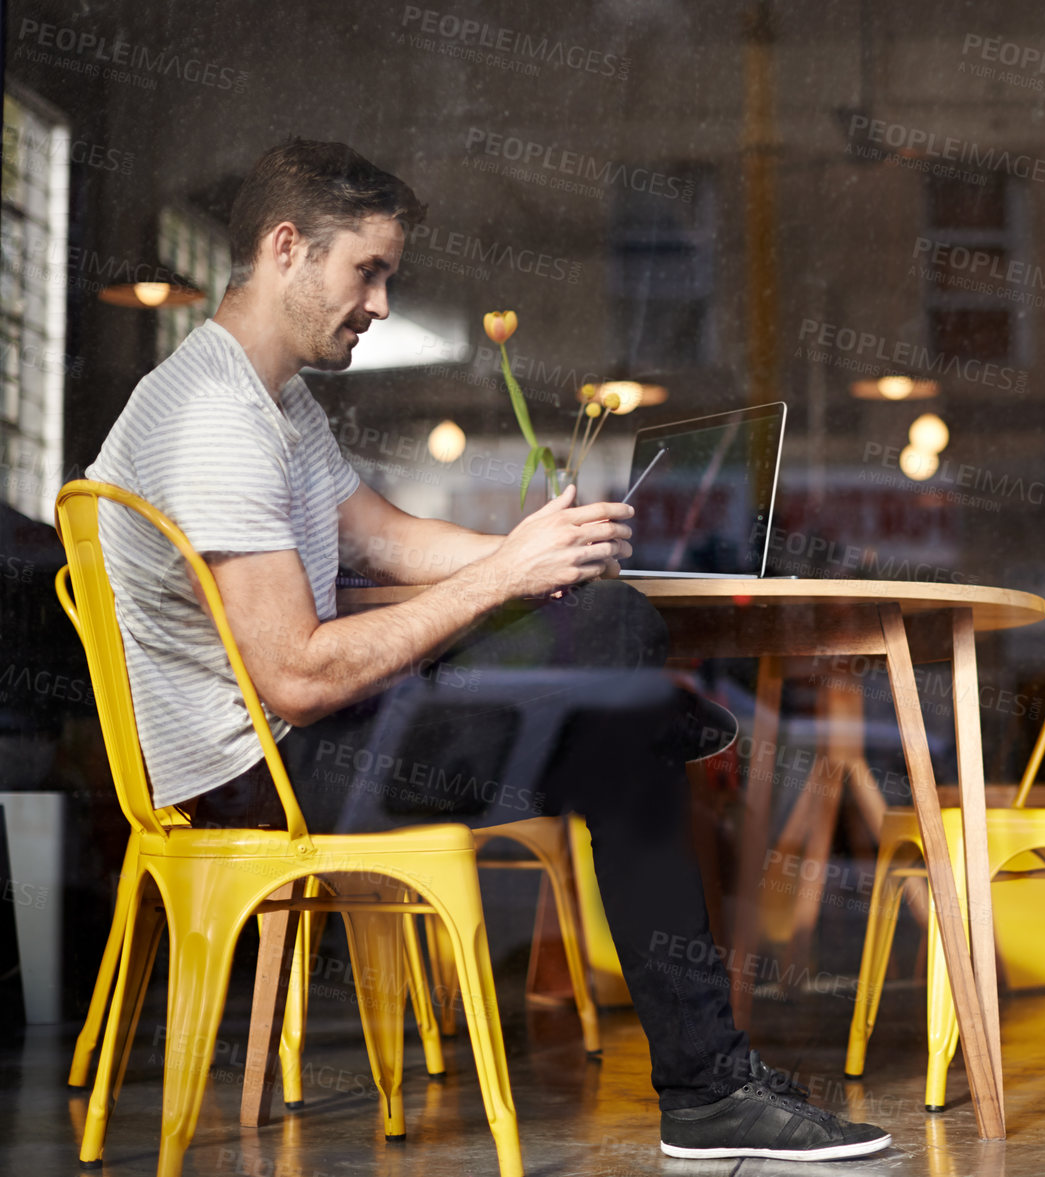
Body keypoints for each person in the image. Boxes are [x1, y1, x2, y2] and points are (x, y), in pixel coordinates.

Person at [84, 138, 889, 1162]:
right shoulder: (210, 419)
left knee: (613, 672)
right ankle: (708, 1084)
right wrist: (510, 579)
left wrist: (539, 550)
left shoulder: (270, 402)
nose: (378, 302)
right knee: (616, 658)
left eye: (388, 277)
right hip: (267, 772)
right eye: (365, 270)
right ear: (285, 247)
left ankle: (710, 1084)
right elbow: (295, 670)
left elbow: (379, 533)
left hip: (310, 740)